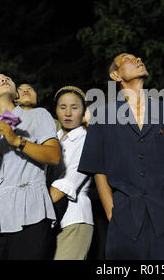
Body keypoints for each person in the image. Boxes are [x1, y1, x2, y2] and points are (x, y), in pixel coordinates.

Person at [78, 53, 164, 259]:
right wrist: (112, 212)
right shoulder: (102, 115)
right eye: (128, 60)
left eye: (139, 58)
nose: (139, 60)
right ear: (115, 75)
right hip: (125, 219)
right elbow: (98, 170)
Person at [0, 72, 61, 260]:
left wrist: (16, 140)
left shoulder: (37, 115)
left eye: (8, 78)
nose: (4, 79)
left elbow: (54, 156)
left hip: (30, 213)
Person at [49, 86, 93, 260]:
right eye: (62, 107)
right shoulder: (52, 138)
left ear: (83, 112)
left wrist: (36, 209)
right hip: (52, 218)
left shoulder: (86, 139)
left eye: (74, 108)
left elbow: (68, 183)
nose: (68, 113)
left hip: (74, 218)